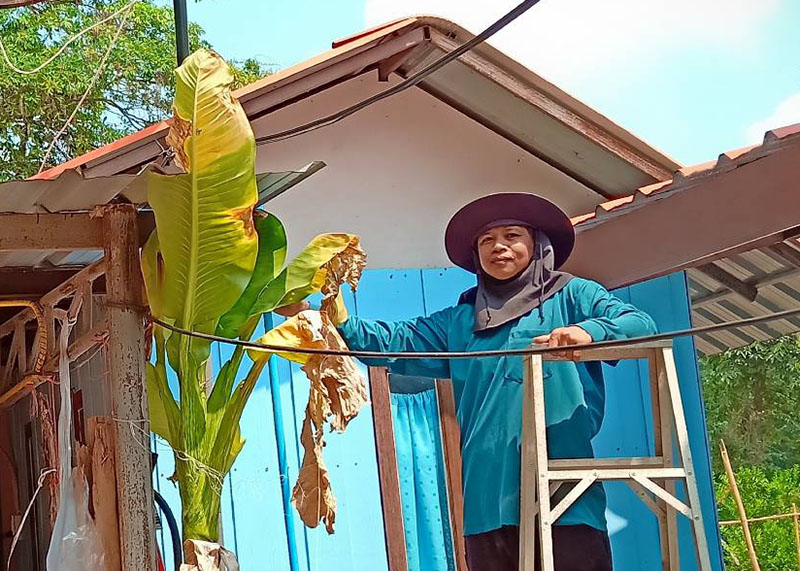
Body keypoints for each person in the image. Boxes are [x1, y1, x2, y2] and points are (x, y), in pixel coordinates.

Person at [282, 193, 657, 570]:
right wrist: (326, 315)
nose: (499, 247)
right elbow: (388, 341)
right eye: (486, 241)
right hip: (487, 502)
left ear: (537, 244)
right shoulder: (460, 322)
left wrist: (586, 332)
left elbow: (642, 326)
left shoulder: (575, 295)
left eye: (512, 235)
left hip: (565, 495)